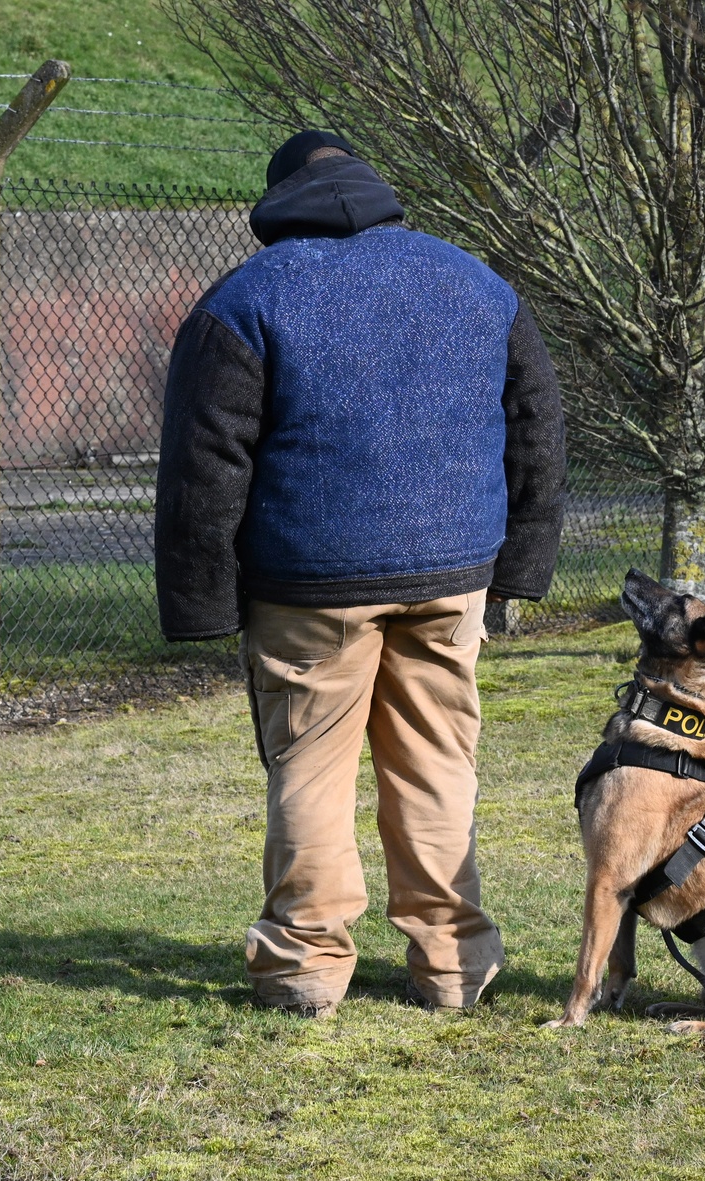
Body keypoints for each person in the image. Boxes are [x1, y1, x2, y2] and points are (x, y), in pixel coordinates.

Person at [155, 130, 566, 1018]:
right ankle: (454, 967)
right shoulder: (475, 283)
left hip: (308, 587)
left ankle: (304, 968)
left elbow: (204, 465)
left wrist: (203, 603)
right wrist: (519, 568)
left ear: (276, 205)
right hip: (454, 572)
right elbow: (539, 430)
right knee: (437, 768)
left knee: (310, 772)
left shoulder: (246, 299)